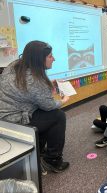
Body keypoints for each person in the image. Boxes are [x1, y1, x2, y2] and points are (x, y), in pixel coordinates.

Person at [0, 41, 70, 173]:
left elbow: (28, 90)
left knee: (42, 114)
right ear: (39, 59)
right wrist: (64, 100)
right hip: (14, 120)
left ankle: (39, 150)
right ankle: (53, 160)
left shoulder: (15, 65)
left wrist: (47, 84)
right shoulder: (34, 80)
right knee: (58, 116)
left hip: (3, 117)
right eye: (50, 56)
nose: (53, 58)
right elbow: (49, 106)